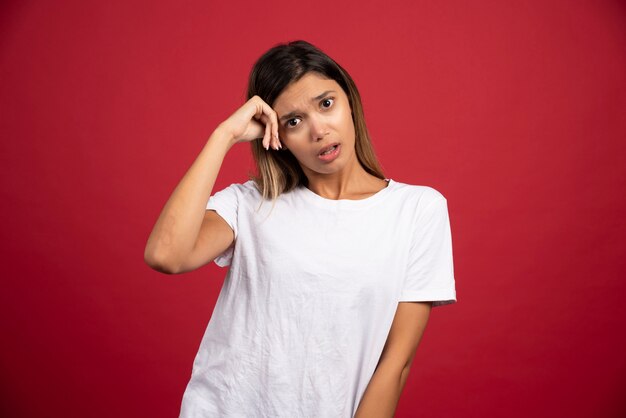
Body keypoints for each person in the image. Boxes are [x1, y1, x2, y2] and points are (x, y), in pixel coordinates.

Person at [144, 40, 457, 418]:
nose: (319, 131)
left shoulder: (418, 210)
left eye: (326, 104)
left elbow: (394, 365)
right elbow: (166, 256)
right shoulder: (251, 203)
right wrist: (223, 136)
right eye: (293, 121)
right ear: (275, 136)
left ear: (349, 99)